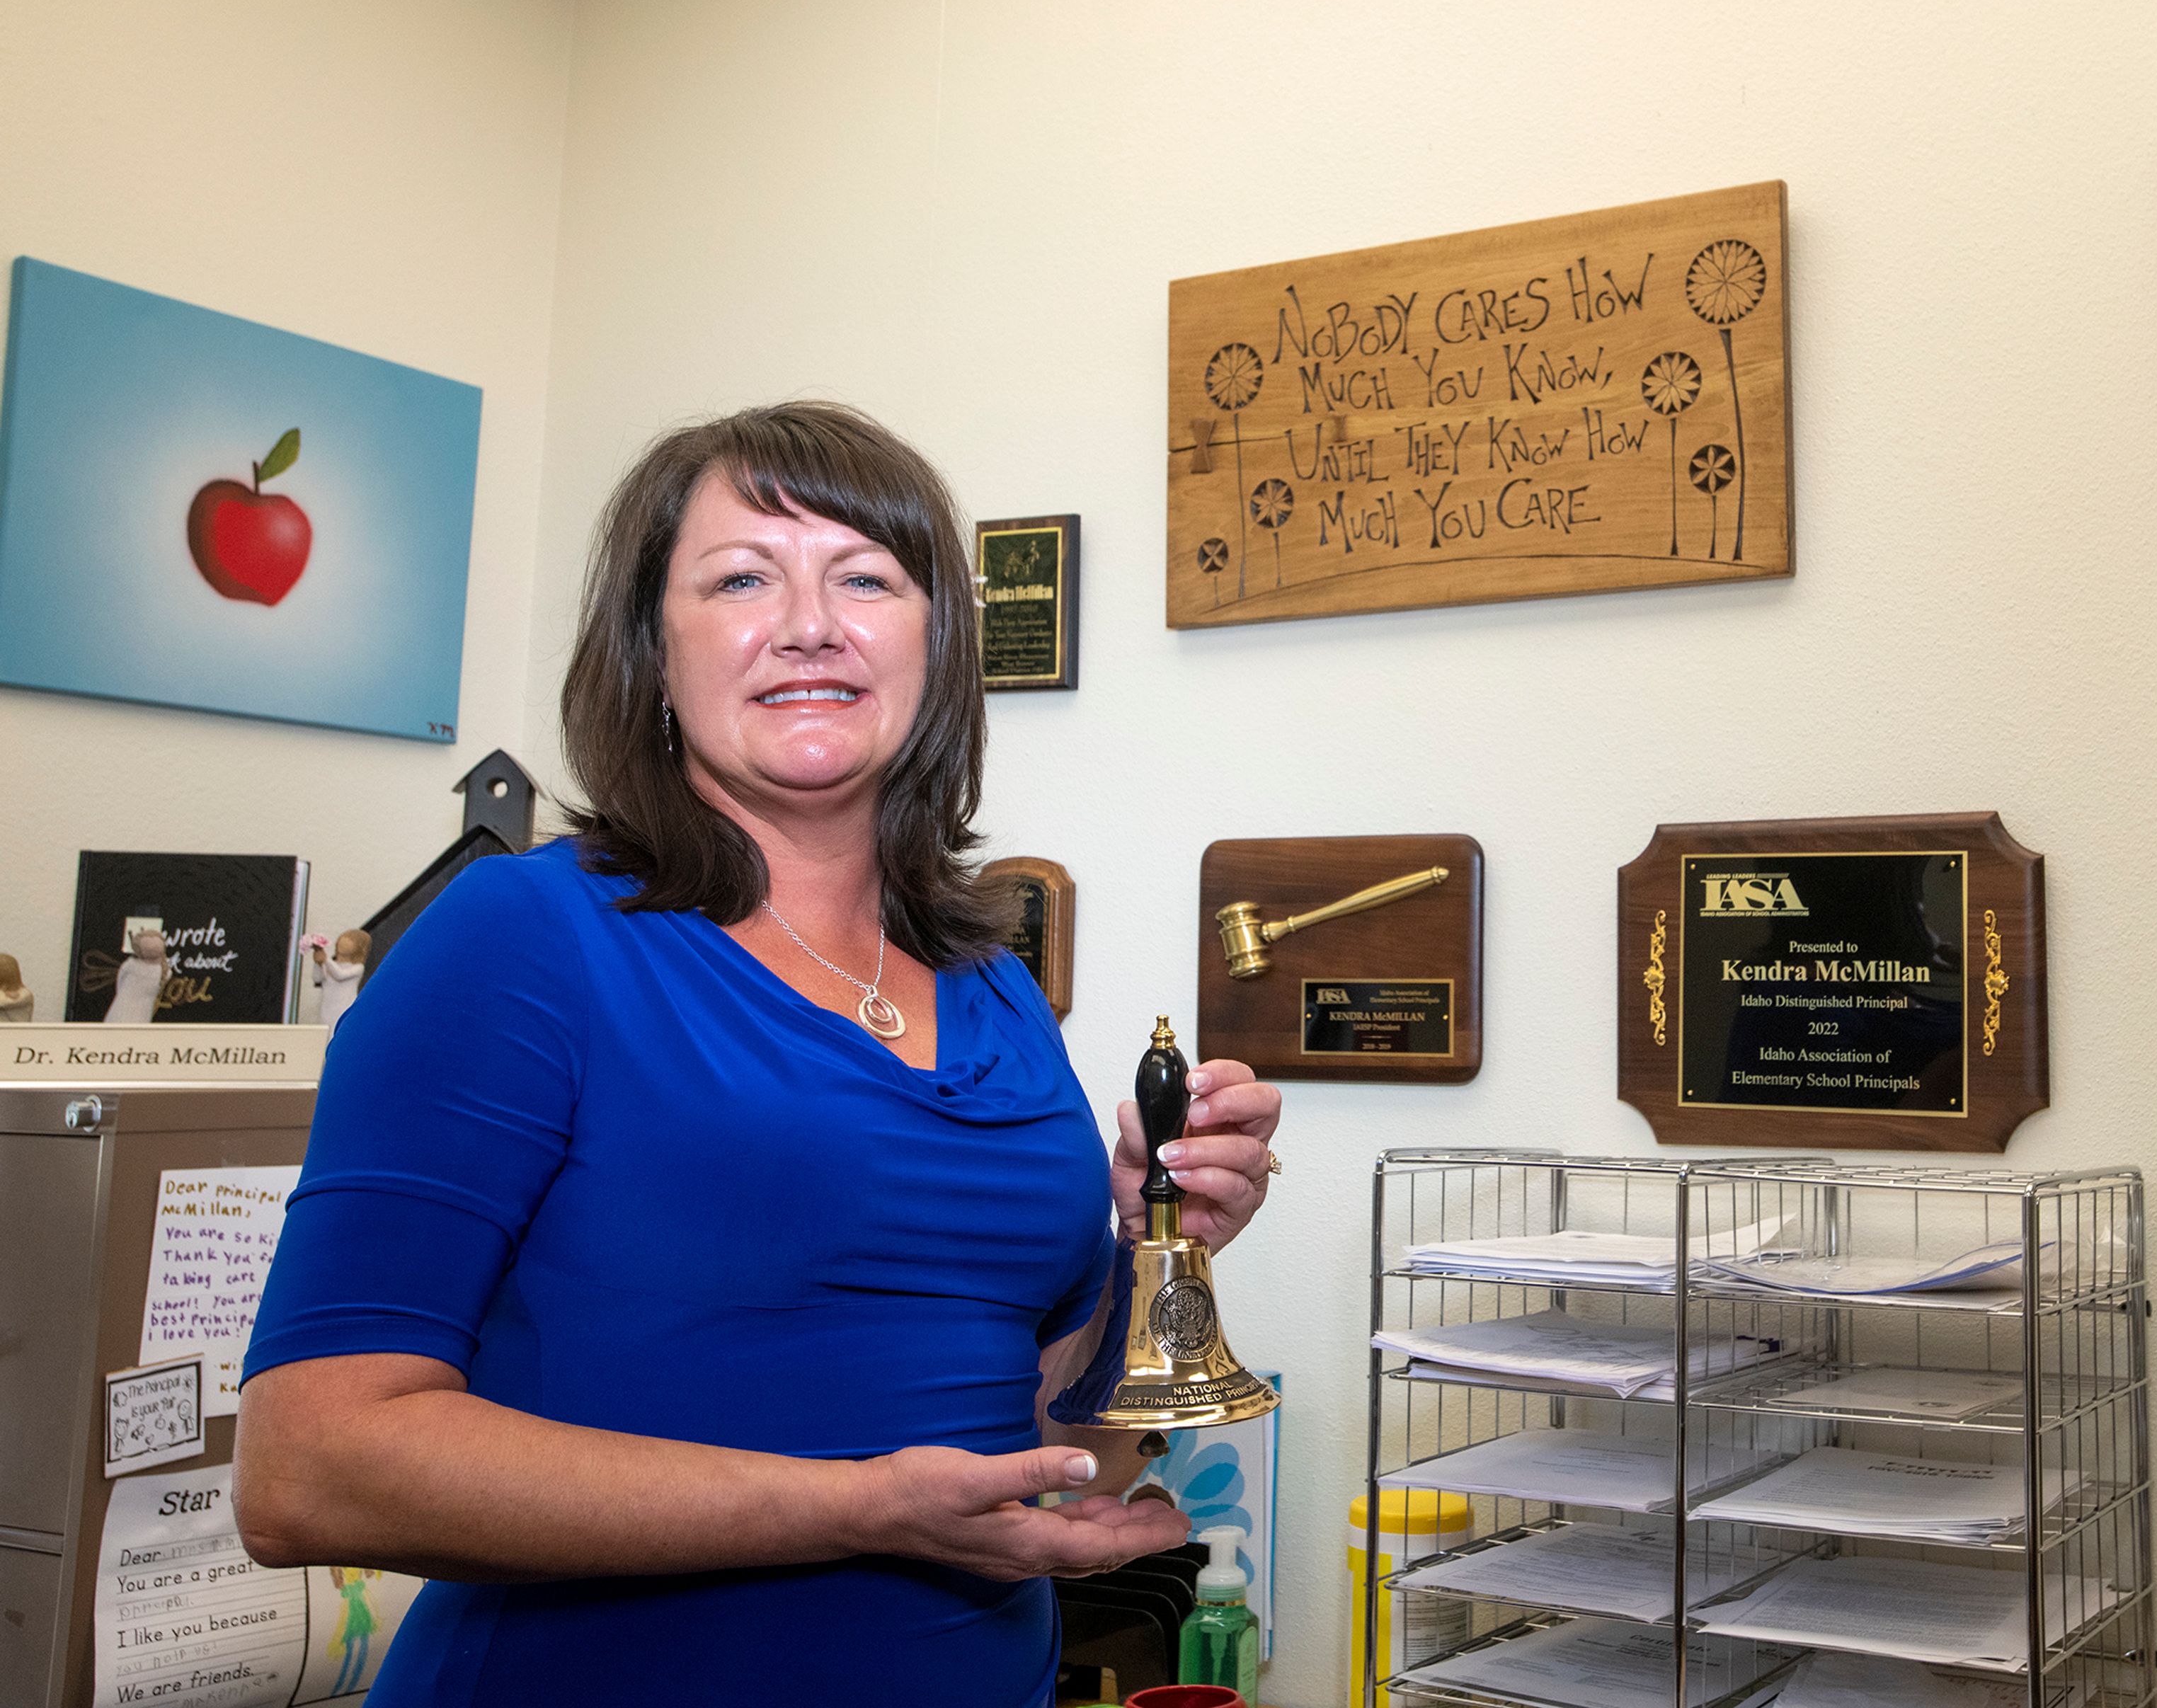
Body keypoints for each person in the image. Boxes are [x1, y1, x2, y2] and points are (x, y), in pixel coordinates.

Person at [234, 403, 1281, 1706]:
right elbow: (309, 1471)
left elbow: (1064, 1447)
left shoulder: (1001, 992)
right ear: (651, 652)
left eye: (866, 578)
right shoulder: (525, 941)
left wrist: (1152, 1244)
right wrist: (862, 1508)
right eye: (742, 578)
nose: (810, 624)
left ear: (935, 646)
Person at [103, 927, 170, 1022]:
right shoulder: (165, 971)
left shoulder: (131, 964)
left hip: (123, 1009)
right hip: (139, 1012)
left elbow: (120, 982)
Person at [309, 927, 368, 1028]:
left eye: (350, 941)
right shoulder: (331, 965)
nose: (344, 942)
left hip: (344, 1007)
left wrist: (326, 959)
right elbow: (317, 978)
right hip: (327, 1008)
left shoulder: (358, 968)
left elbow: (340, 975)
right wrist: (318, 963)